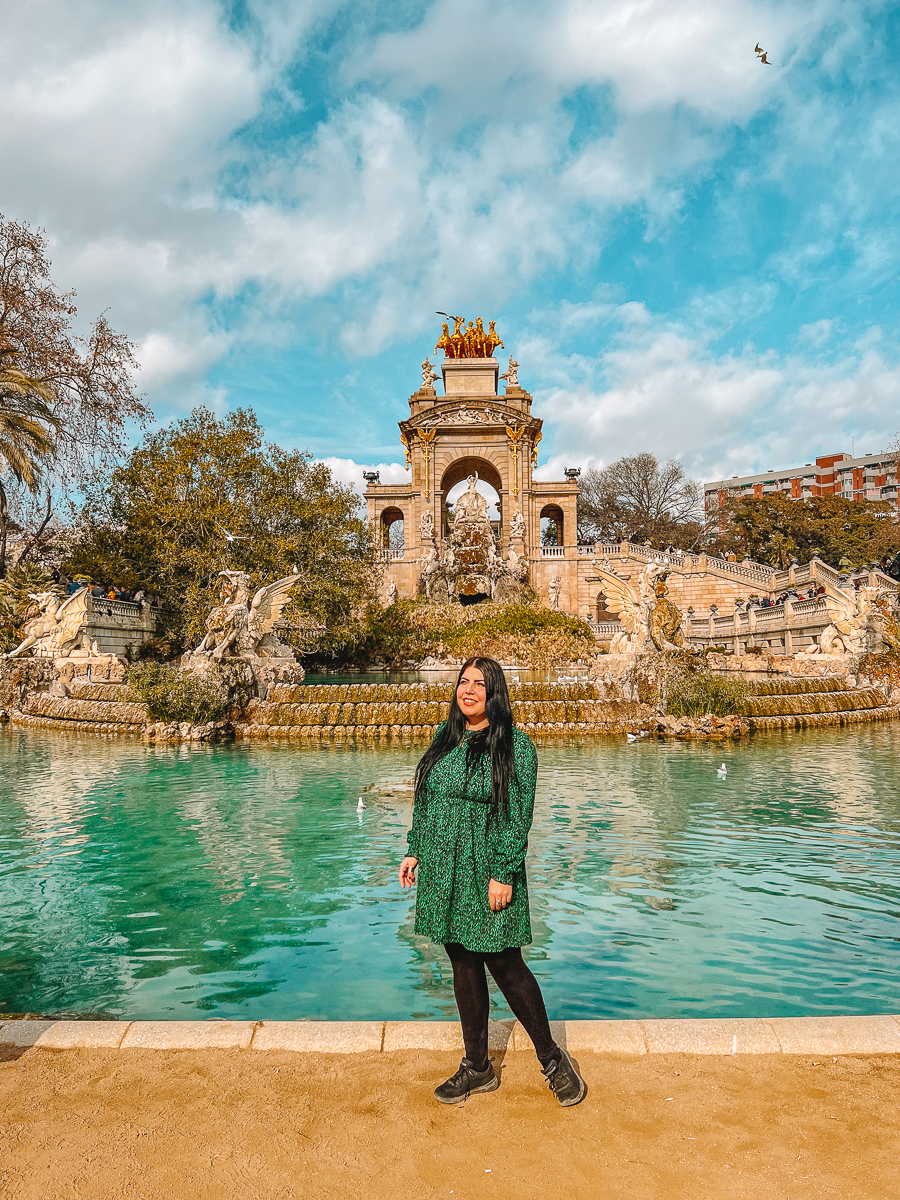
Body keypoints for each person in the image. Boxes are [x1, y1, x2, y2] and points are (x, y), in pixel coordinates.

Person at [399, 657, 586, 1108]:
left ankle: (554, 1060)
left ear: (494, 692)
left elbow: (517, 815)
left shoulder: (516, 746)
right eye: (463, 682)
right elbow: (426, 803)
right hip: (445, 868)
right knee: (461, 961)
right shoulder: (445, 742)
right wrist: (413, 849)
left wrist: (503, 872)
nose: (469, 690)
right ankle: (477, 1066)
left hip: (486, 869)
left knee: (505, 963)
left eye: (479, 684)